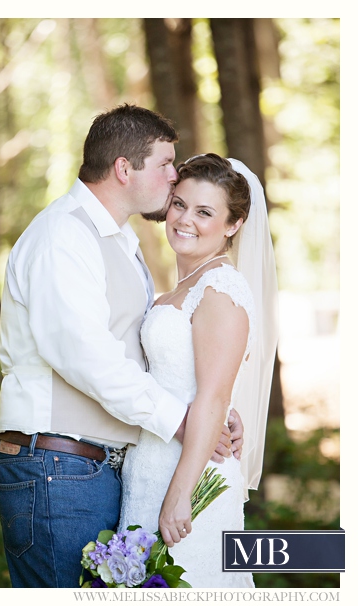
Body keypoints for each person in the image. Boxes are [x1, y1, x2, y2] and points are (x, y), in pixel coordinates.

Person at [0, 104, 243, 588]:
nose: (175, 177)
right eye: (166, 164)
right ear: (125, 169)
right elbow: (85, 356)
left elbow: (140, 352)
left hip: (87, 468)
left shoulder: (116, 239)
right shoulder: (63, 235)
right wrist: (185, 421)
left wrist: (208, 406)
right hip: (55, 466)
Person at [117, 153, 278, 587]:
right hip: (150, 465)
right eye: (180, 204)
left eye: (205, 212)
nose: (185, 219)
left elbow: (212, 398)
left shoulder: (221, 289)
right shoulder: (180, 288)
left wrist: (180, 496)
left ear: (233, 225)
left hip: (189, 478)